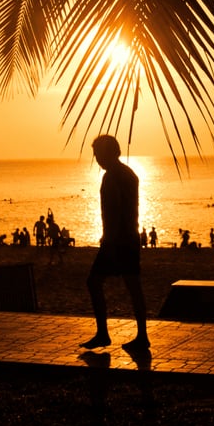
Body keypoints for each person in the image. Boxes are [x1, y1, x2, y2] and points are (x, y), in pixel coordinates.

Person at [81, 134, 149, 353]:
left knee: (95, 282)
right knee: (133, 287)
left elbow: (115, 210)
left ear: (112, 152)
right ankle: (141, 335)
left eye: (99, 154)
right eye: (95, 154)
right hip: (129, 237)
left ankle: (104, 334)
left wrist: (108, 239)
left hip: (117, 240)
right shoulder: (129, 174)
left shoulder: (113, 177)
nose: (97, 159)